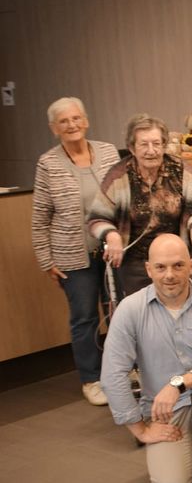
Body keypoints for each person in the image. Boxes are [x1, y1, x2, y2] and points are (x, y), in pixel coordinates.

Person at [99, 234, 192, 483]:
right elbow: (112, 375)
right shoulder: (130, 310)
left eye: (177, 266)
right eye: (161, 267)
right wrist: (140, 429)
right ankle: (180, 451)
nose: (170, 275)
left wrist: (179, 383)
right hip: (163, 409)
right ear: (149, 269)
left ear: (190, 265)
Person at [32, 97, 122, 405]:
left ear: (85, 120)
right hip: (72, 255)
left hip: (113, 250)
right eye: (64, 121)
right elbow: (40, 215)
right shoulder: (48, 163)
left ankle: (120, 371)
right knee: (84, 317)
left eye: (76, 118)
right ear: (54, 128)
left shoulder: (108, 151)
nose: (71, 125)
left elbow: (123, 194)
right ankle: (91, 379)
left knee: (118, 313)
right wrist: (46, 260)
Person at [89, 114, 192, 295]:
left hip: (176, 260)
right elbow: (97, 218)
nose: (151, 150)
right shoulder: (118, 176)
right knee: (143, 316)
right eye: (144, 144)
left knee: (179, 311)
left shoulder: (180, 169)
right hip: (135, 264)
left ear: (164, 145)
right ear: (132, 148)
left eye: (156, 143)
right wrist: (112, 235)